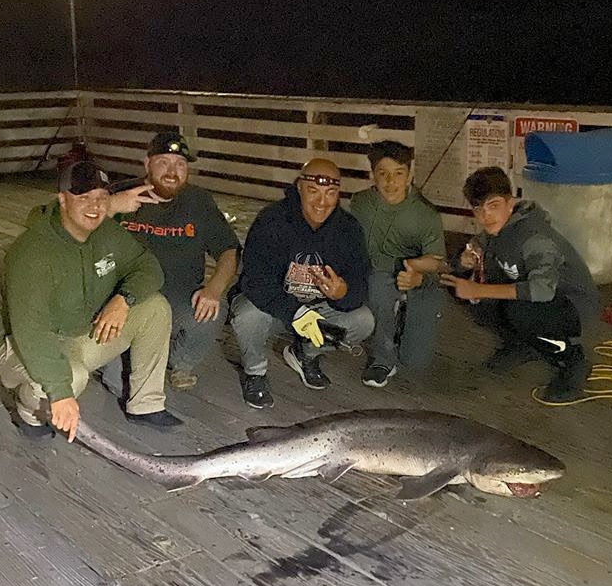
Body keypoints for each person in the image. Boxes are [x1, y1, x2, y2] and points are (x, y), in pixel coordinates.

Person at [0, 160, 181, 442]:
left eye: (102, 198)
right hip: (22, 343)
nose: (95, 206)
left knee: (154, 307)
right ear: (62, 200)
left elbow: (148, 266)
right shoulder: (32, 253)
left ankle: (145, 404)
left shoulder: (106, 232)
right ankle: (30, 410)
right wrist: (61, 393)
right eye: (84, 197)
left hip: (81, 332)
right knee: (71, 378)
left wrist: (123, 300)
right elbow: (32, 332)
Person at [441, 166, 600, 402]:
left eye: (493, 205)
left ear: (510, 202)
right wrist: (464, 263)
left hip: (572, 304)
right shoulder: (493, 232)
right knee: (459, 284)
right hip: (537, 300)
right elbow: (471, 260)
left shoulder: (535, 237)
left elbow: (542, 290)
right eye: (478, 209)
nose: (486, 216)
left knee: (519, 309)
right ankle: (524, 344)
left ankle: (572, 360)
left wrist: (479, 289)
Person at [229, 158, 374, 408]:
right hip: (275, 307)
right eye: (313, 191)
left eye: (330, 193)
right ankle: (255, 372)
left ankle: (305, 354)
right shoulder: (272, 220)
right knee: (246, 316)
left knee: (363, 321)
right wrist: (295, 313)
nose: (322, 202)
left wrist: (343, 291)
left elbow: (360, 282)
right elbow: (256, 281)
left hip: (319, 309)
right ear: (299, 187)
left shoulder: (349, 229)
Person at [104, 130, 240, 391]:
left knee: (213, 311)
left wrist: (213, 289)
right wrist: (111, 206)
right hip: (126, 300)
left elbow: (228, 250)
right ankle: (128, 355)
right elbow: (73, 225)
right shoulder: (121, 194)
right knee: (117, 384)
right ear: (147, 164)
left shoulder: (198, 201)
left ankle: (180, 361)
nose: (172, 170)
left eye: (180, 164)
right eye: (163, 162)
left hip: (179, 297)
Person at [350, 140, 446, 387]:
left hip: (415, 279)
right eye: (383, 174)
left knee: (415, 360)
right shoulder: (360, 203)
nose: (390, 182)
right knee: (378, 288)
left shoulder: (427, 214)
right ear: (373, 175)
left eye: (398, 174)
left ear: (409, 174)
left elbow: (438, 264)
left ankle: (404, 316)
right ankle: (383, 359)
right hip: (375, 275)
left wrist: (417, 275)